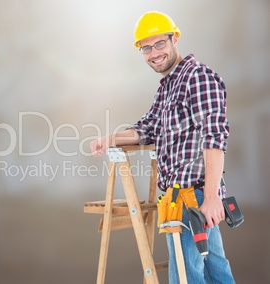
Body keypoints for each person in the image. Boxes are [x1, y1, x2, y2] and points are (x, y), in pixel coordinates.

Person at [90, 11, 235, 283]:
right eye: (146, 47)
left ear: (175, 38)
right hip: (178, 200)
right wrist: (110, 138)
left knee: (187, 277)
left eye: (159, 44)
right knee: (214, 273)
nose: (153, 53)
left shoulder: (197, 77)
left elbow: (214, 138)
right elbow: (148, 128)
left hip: (195, 199)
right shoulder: (168, 87)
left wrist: (213, 197)